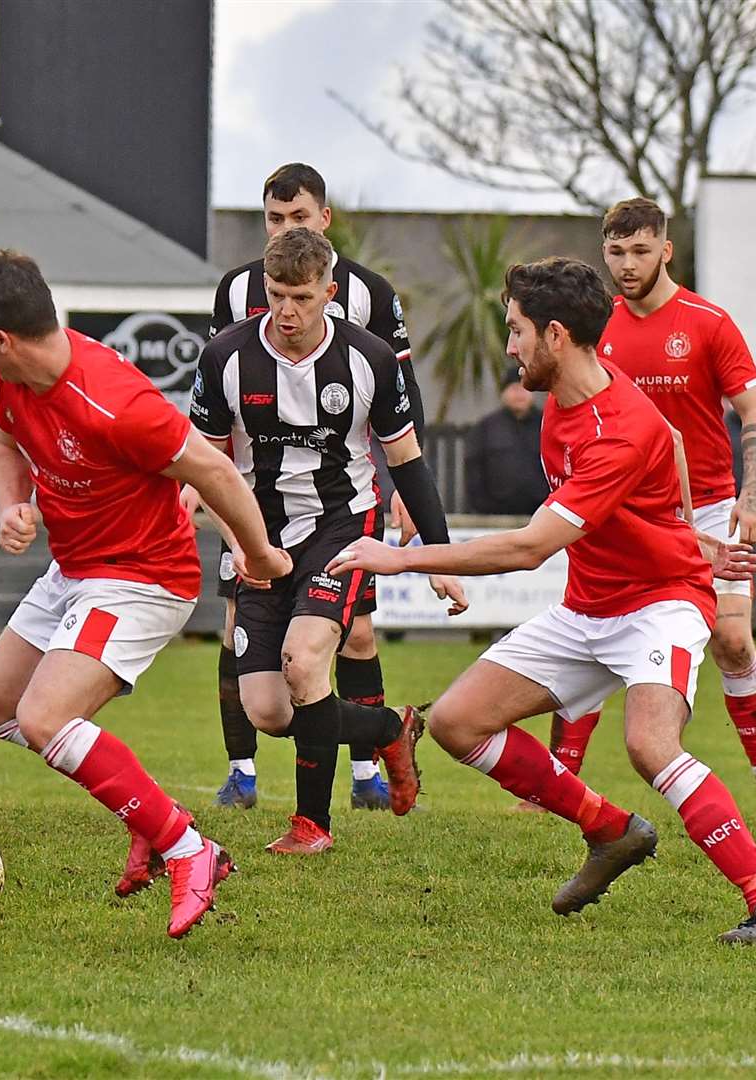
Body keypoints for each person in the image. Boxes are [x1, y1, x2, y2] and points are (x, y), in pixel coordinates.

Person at [329, 256, 756, 945]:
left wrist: (401, 557)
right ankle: (607, 829)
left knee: (649, 745)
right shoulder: (576, 395)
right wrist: (687, 532)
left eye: (515, 331)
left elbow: (528, 548)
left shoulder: (613, 428)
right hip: (587, 605)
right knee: (456, 722)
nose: (508, 348)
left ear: (555, 335)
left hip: (659, 605)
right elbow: (674, 443)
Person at [0, 249, 293, 939]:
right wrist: (9, 506)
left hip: (143, 576)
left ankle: (190, 851)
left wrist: (258, 555)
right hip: (73, 570)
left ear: (2, 339)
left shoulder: (115, 400)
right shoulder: (15, 380)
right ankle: (151, 816)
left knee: (44, 718)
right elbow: (7, 440)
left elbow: (216, 471)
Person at [189, 227, 465, 855]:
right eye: (278, 295)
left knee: (306, 660)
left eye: (303, 299)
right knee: (269, 710)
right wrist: (240, 545)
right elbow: (208, 469)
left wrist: (440, 559)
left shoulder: (367, 359)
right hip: (258, 531)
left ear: (329, 294)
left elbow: (409, 464)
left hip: (342, 526)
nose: (288, 312)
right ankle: (390, 727)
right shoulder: (225, 359)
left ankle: (311, 826)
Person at [528, 198, 756, 811]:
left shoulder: (707, 322)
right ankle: (557, 779)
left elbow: (753, 411)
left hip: (711, 507)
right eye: (615, 251)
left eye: (640, 251)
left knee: (734, 641)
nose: (627, 265)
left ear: (666, 250)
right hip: (624, 506)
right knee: (595, 619)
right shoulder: (593, 327)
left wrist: (754, 488)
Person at [206, 163, 429, 813]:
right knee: (235, 632)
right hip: (255, 503)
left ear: (323, 220)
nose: (284, 230)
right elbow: (216, 391)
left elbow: (398, 398)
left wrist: (402, 487)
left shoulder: (368, 293)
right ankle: (240, 770)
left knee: (353, 638)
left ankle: (365, 774)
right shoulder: (235, 290)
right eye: (274, 220)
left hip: (338, 502)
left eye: (298, 218)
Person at [465, 370, 548, 515]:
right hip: (495, 514)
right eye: (514, 389)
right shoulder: (486, 427)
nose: (520, 394)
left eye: (525, 389)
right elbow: (474, 469)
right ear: (503, 393)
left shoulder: (547, 424)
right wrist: (482, 507)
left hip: (542, 513)